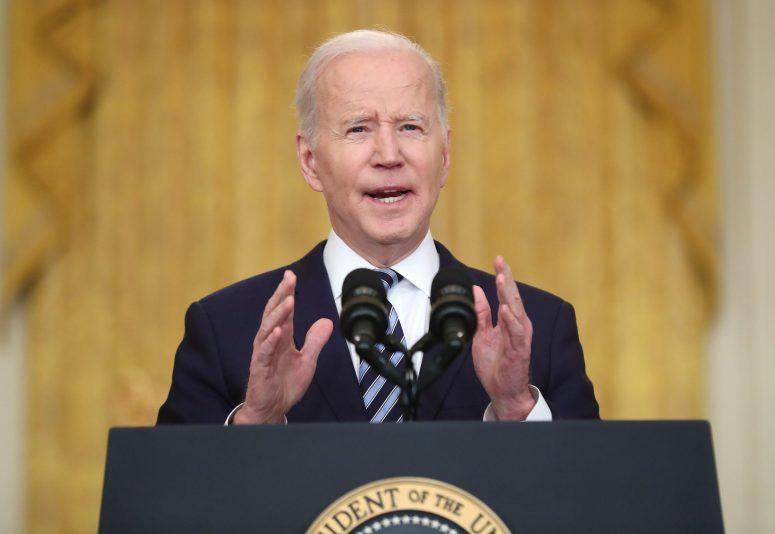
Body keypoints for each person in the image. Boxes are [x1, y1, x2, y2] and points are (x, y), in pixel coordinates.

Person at [157, 29, 599, 425]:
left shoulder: (539, 328)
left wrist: (517, 408)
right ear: (310, 161)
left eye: (410, 127)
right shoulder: (226, 328)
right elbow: (168, 506)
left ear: (444, 156)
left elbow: (593, 502)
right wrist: (257, 422)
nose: (388, 154)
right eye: (358, 129)